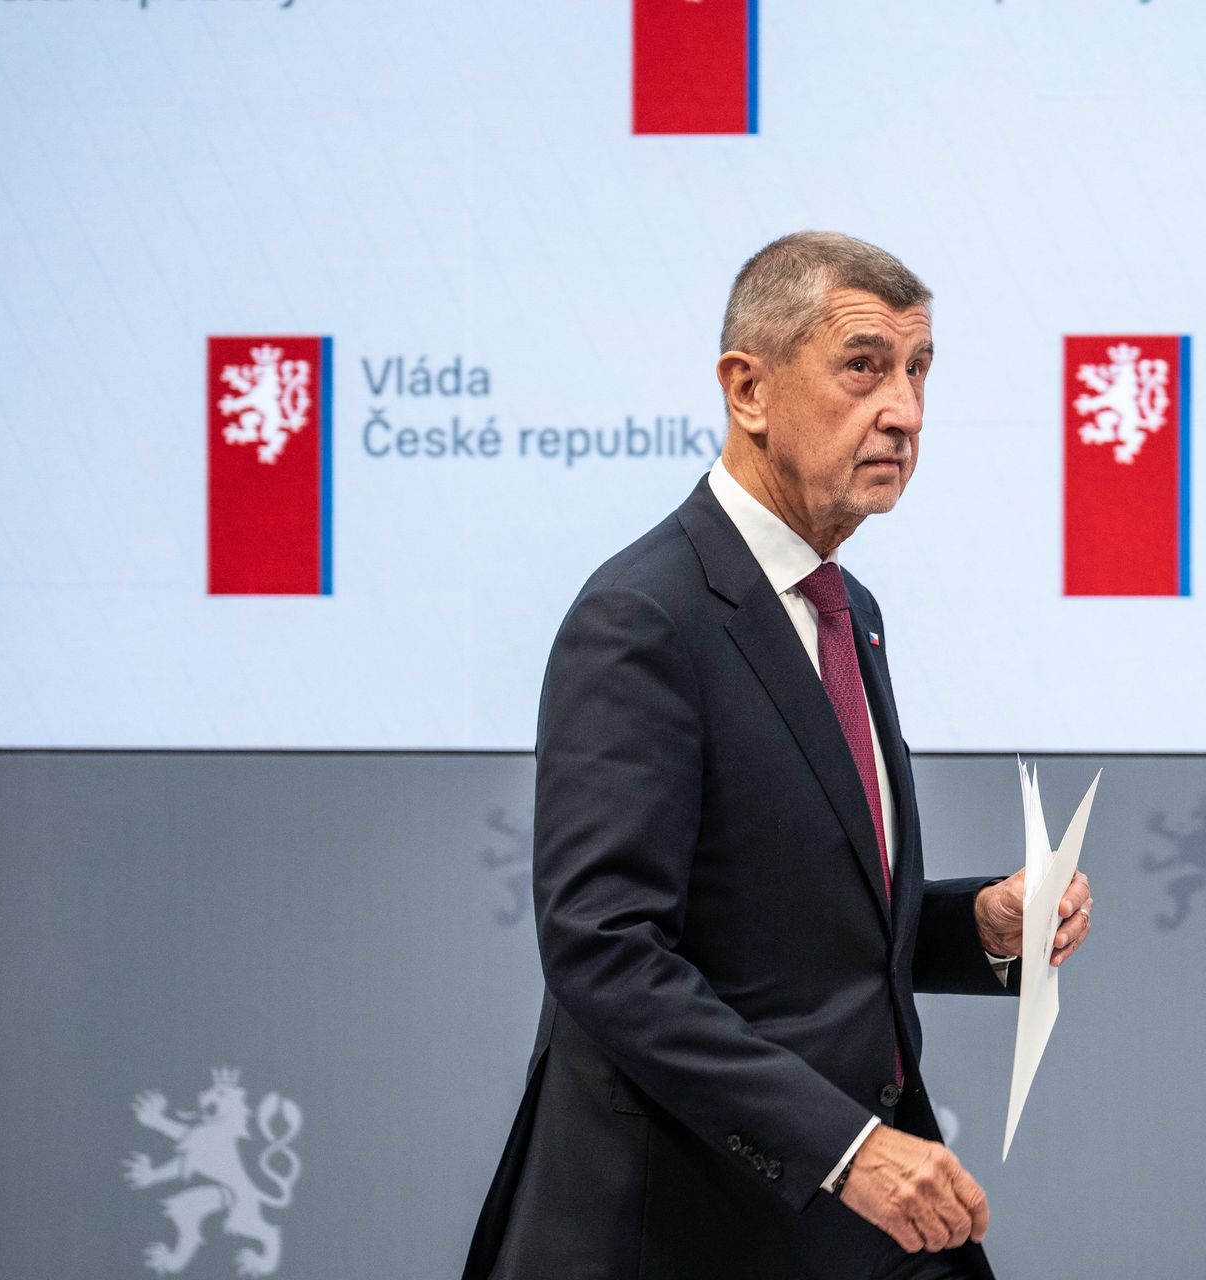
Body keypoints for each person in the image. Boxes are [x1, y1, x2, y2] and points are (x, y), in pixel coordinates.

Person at [463, 232, 1094, 1280]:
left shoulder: (848, 609)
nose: (905, 409)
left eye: (918, 369)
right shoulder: (642, 617)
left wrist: (976, 928)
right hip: (696, 1219)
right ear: (748, 388)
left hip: (847, 1216)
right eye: (863, 366)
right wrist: (846, 1149)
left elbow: (800, 924)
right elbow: (606, 947)